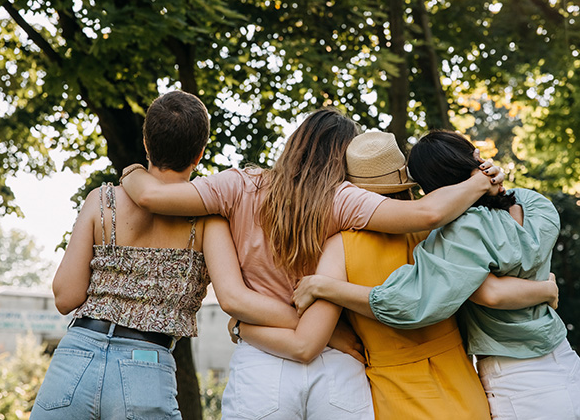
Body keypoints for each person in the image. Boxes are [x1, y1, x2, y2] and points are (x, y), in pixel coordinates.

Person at [119, 107, 507, 419]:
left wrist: (132, 169)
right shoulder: (344, 199)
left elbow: (152, 198)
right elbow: (425, 215)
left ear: (294, 143)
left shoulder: (238, 186)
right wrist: (480, 181)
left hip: (264, 361)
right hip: (338, 362)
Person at [235, 131, 559, 419]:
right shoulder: (443, 234)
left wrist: (242, 324)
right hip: (461, 382)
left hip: (395, 391)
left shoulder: (337, 248)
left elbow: (310, 337)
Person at [31, 91, 298, 419]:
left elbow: (65, 297)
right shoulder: (207, 220)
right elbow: (233, 299)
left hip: (75, 358)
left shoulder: (101, 201)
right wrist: (301, 318)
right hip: (146, 367)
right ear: (199, 154)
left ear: (146, 143)